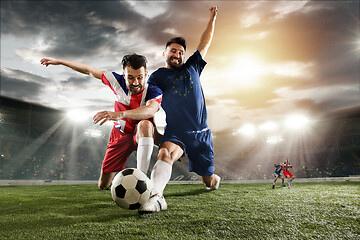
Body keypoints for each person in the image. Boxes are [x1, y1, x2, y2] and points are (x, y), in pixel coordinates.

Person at [138, 6, 220, 214]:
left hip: (201, 134)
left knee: (208, 181)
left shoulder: (193, 67)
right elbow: (150, 104)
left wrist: (212, 19)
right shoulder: (156, 77)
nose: (178, 54)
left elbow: (205, 42)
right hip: (177, 132)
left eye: (181, 52)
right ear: (164, 53)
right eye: (173, 50)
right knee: (164, 153)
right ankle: (157, 197)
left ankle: (214, 178)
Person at [40, 54, 162, 190]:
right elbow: (89, 70)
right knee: (103, 185)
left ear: (146, 74)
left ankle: (142, 181)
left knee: (145, 124)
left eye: (140, 77)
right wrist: (60, 61)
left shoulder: (153, 90)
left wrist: (120, 114)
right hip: (120, 135)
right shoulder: (116, 80)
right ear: (124, 74)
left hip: (142, 134)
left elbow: (150, 110)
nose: (135, 82)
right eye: (130, 77)